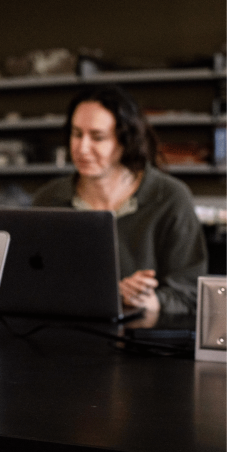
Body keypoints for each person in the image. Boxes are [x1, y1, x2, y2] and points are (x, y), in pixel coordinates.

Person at [32, 85, 207, 315]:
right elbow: (33, 286)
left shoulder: (169, 198)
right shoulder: (48, 200)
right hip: (64, 338)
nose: (82, 148)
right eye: (76, 134)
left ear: (125, 140)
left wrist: (150, 300)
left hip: (142, 343)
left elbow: (191, 293)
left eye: (98, 137)